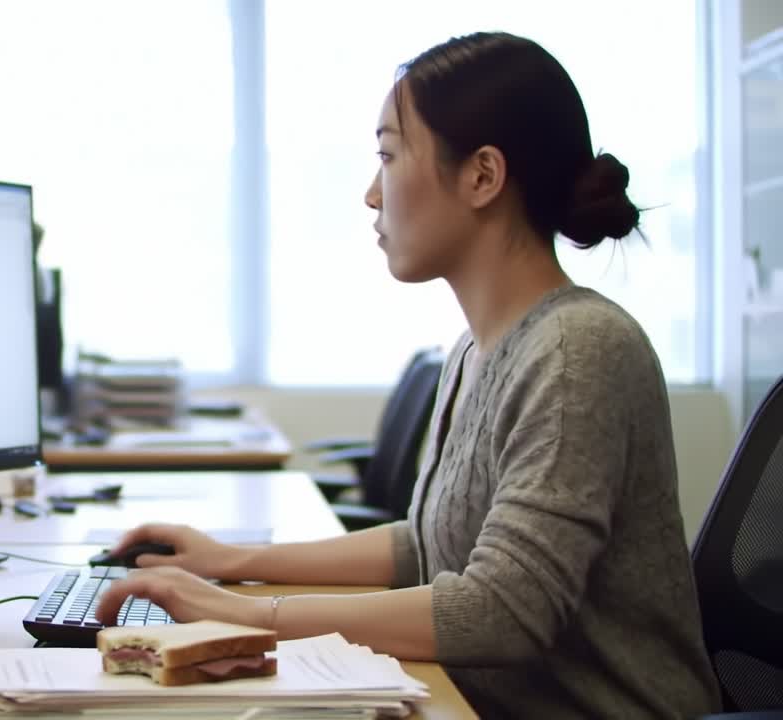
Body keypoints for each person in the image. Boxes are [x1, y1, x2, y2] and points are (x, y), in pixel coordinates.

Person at [93, 32, 721, 718]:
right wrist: (229, 563)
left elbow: (502, 612)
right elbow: (428, 544)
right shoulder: (476, 349)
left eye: (388, 155)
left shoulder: (578, 352)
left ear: (482, 176)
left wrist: (251, 615)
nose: (371, 193)